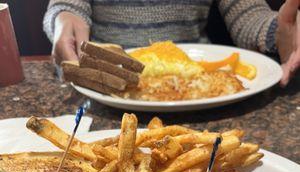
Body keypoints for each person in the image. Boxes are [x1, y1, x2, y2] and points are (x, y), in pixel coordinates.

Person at [44, 0, 300, 86]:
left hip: (202, 88)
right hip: (105, 87)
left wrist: (277, 32)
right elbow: (67, 5)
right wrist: (64, 18)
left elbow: (247, 14)